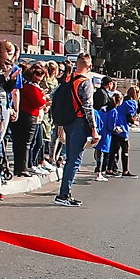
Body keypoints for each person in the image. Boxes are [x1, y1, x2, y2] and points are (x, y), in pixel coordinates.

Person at [55, 53, 97, 207]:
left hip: (68, 121)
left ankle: (64, 192)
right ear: (90, 66)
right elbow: (88, 107)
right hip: (79, 121)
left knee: (70, 158)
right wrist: (94, 129)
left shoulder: (69, 79)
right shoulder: (85, 83)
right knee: (75, 160)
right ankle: (64, 194)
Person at [113, 87, 138, 177]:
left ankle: (110, 169)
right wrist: (134, 122)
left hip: (115, 126)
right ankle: (125, 170)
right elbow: (129, 117)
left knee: (114, 149)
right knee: (125, 149)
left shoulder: (121, 100)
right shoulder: (131, 103)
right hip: (123, 127)